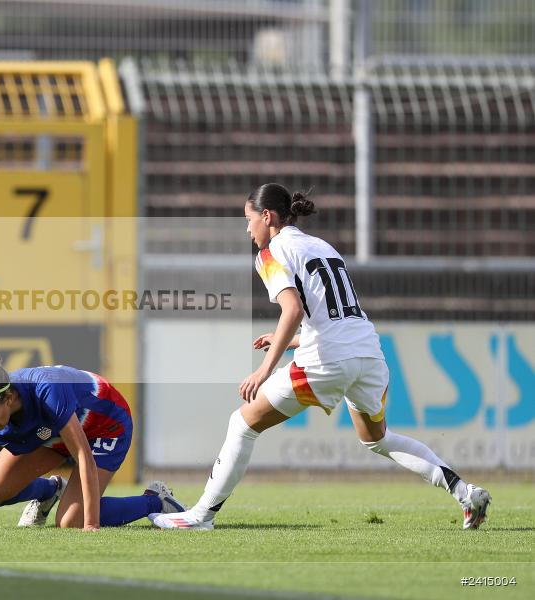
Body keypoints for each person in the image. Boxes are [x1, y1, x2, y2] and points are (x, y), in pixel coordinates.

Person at [150, 182, 491, 531]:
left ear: (266, 216)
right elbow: (332, 314)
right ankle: (465, 492)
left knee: (242, 424)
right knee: (378, 439)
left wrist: (264, 370)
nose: (247, 229)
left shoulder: (269, 253)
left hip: (327, 360)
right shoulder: (322, 246)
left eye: (248, 219)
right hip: (368, 354)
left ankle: (200, 516)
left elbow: (293, 309)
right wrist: (293, 342)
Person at [0, 354, 185, 530]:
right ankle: (50, 491)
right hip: (53, 435)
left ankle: (155, 501)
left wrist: (90, 524)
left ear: (9, 398)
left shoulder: (48, 392)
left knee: (70, 522)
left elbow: (82, 454)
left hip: (104, 427)